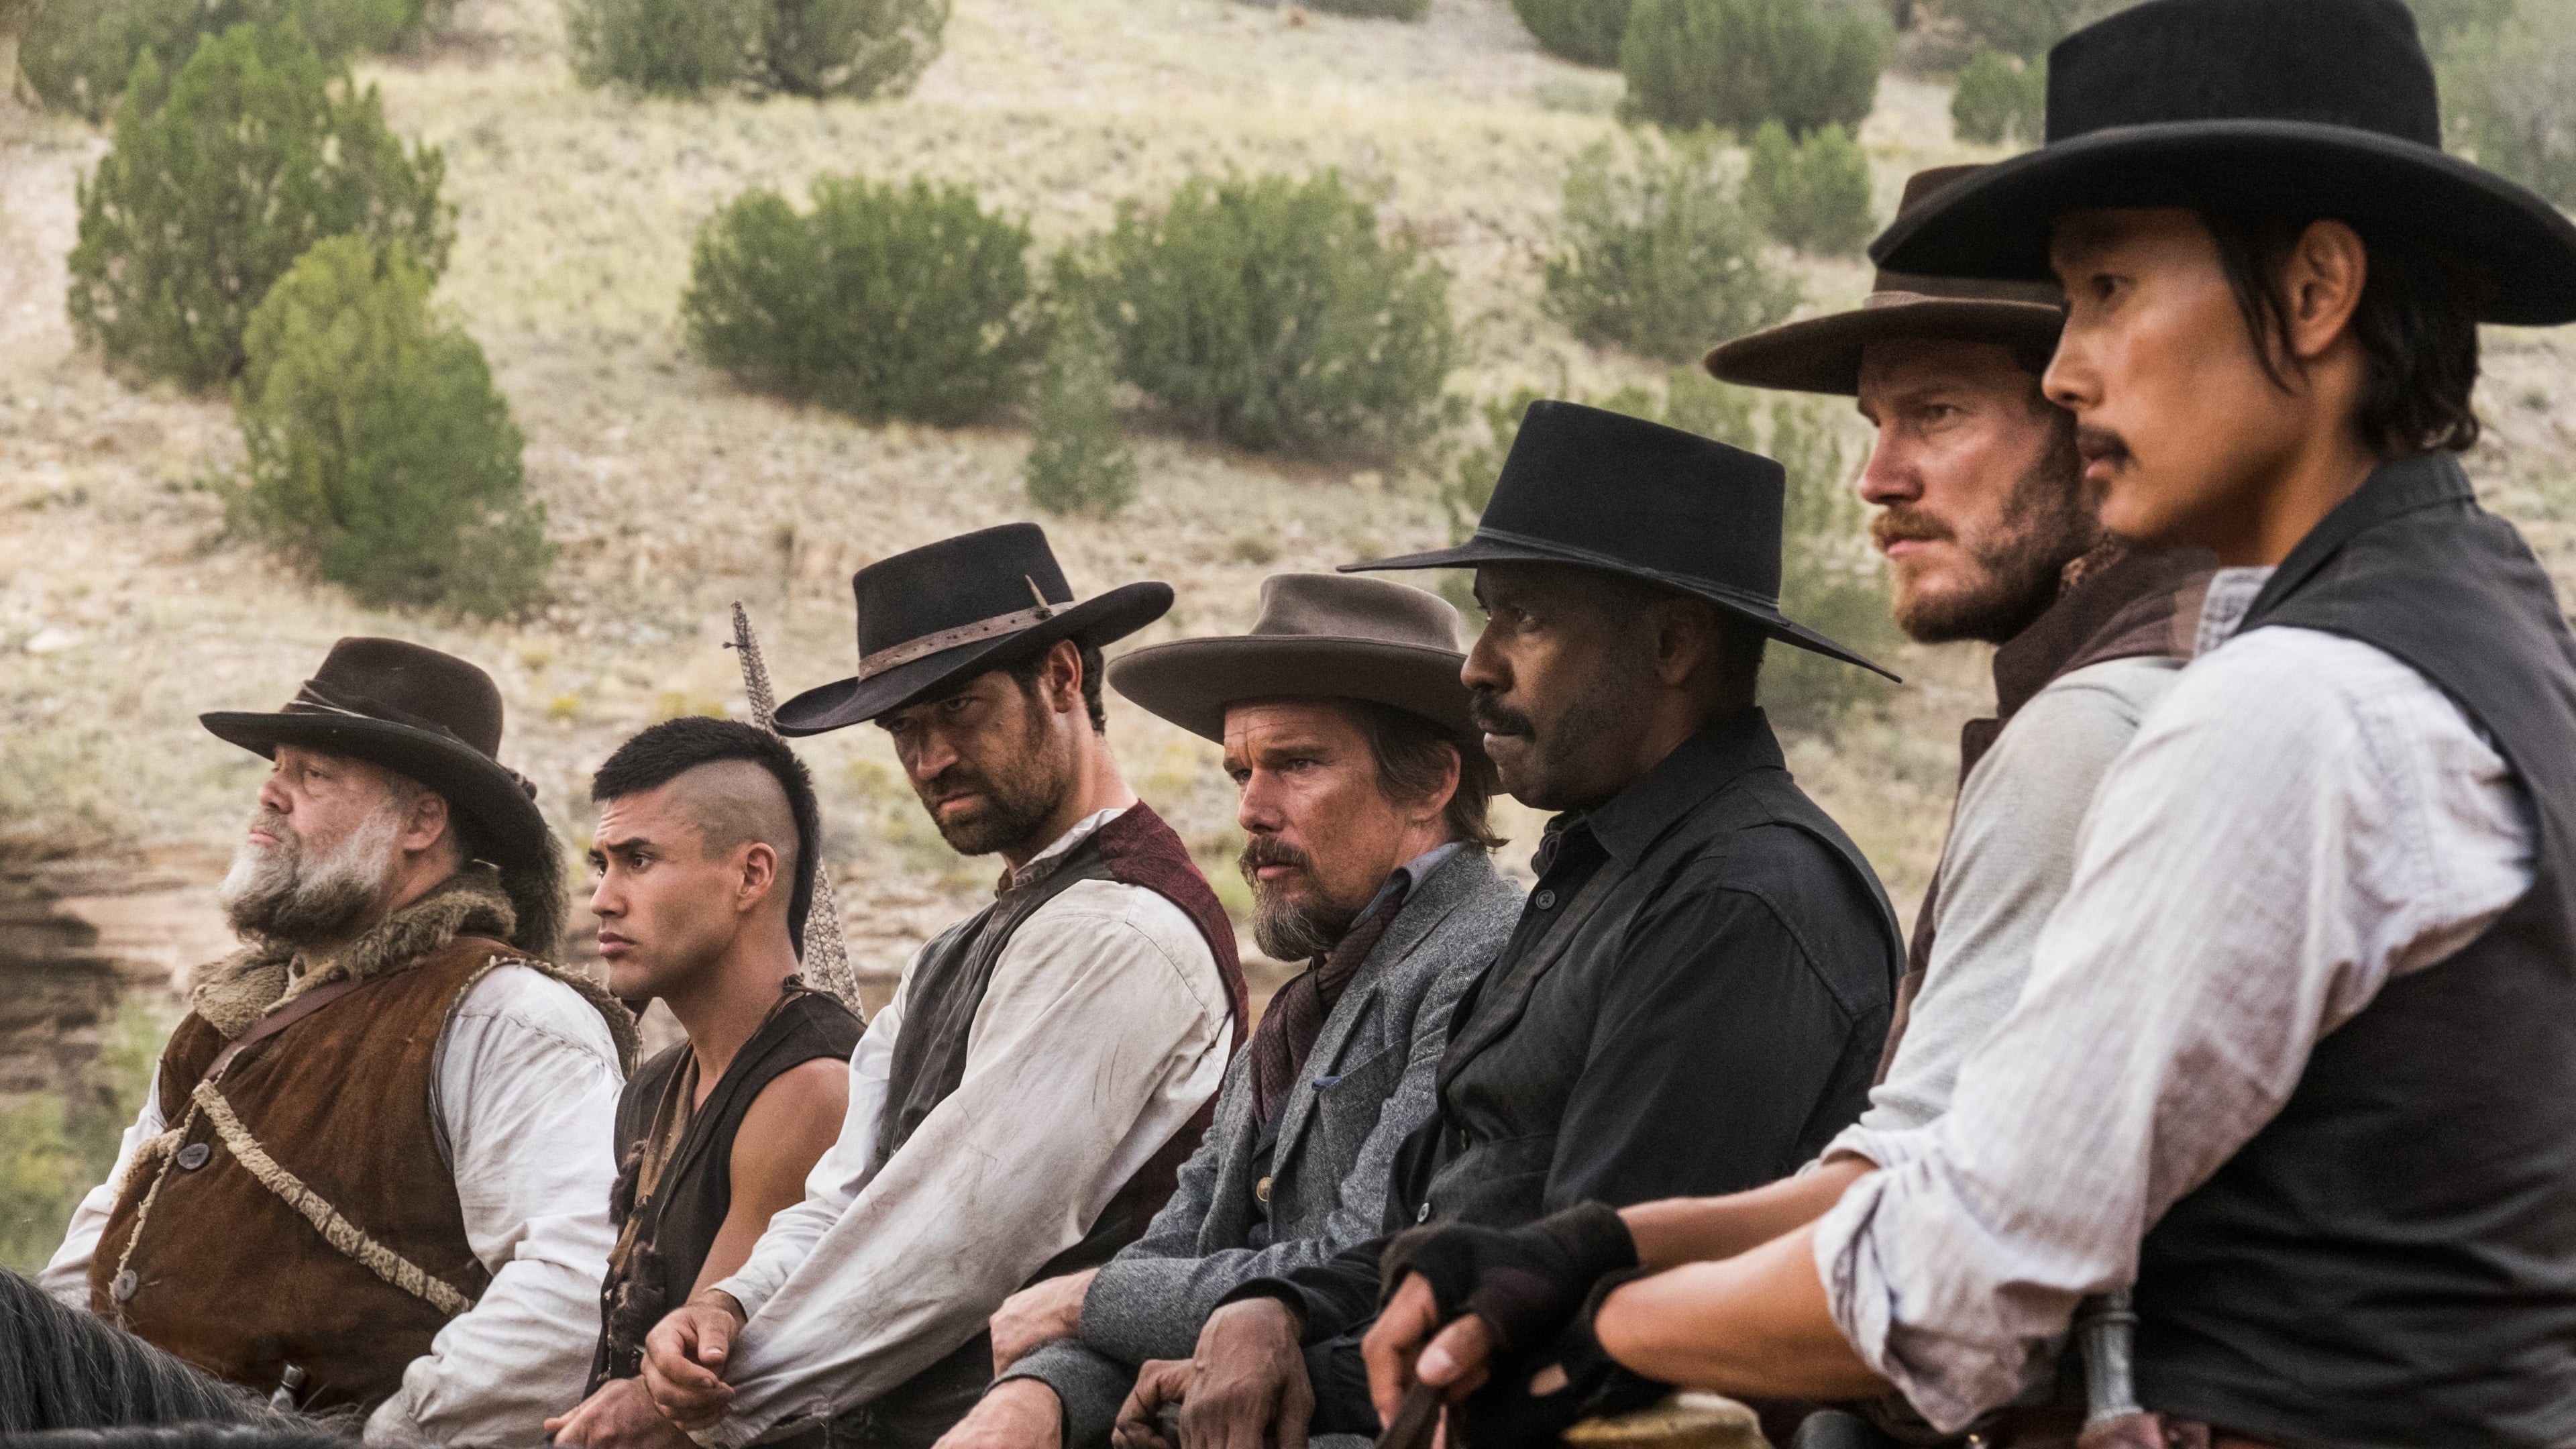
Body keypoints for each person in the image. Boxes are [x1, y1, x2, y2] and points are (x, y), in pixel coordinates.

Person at [1377, 3, 2576, 1446]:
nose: (2069, 369)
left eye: (2110, 289)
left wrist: (1595, 1330)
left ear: (2316, 291)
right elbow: (1972, 1169)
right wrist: (1607, 1247)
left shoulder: (2293, 709)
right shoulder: (2483, 633)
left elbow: (1960, 1270)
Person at [1364, 167, 2218, 1446]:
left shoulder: (2086, 736)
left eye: (1937, 413)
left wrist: (1604, 1314)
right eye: (1874, 424)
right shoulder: (2176, 692)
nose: (1876, 478)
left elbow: (1936, 1233)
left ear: (2091, 414)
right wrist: (1594, 1259)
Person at [1116, 403, 1907, 1446]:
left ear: (1673, 644)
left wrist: (1299, 1383)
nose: (1478, 666)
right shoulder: (1599, 875)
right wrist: (1279, 1309)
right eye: (1486, 617)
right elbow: (1451, 1232)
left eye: (1525, 619)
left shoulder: (1743, 900)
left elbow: (1591, 1313)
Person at [635, 523, 1247, 1449]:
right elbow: (848, 1195)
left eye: (959, 708)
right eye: (904, 729)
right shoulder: (956, 952)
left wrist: (699, 1410)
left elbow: (953, 1245)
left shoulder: (1119, 933)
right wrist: (726, 1309)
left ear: (1062, 678)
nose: (929, 759)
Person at [932, 574, 1524, 1449]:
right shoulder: (1307, 999)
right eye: (1242, 772)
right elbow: (1178, 1247)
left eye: (1297, 764)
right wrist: (1036, 1401)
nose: (1250, 809)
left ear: (1432, 780)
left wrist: (1079, 1301)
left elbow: (1370, 1257)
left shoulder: (1486, 956)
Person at [41, 638, 637, 1444]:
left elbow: (574, 1285)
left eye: (314, 774)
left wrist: (391, 1439)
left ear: (422, 821)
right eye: (278, 768)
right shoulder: (234, 1011)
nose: (271, 793)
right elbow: (108, 1225)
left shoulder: (505, 1016)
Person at [546, 718, 865, 1449]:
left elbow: (683, 1402)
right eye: (602, 865)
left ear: (751, 876)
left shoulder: (811, 1088)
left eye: (639, 860)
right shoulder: (656, 1088)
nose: (602, 899)